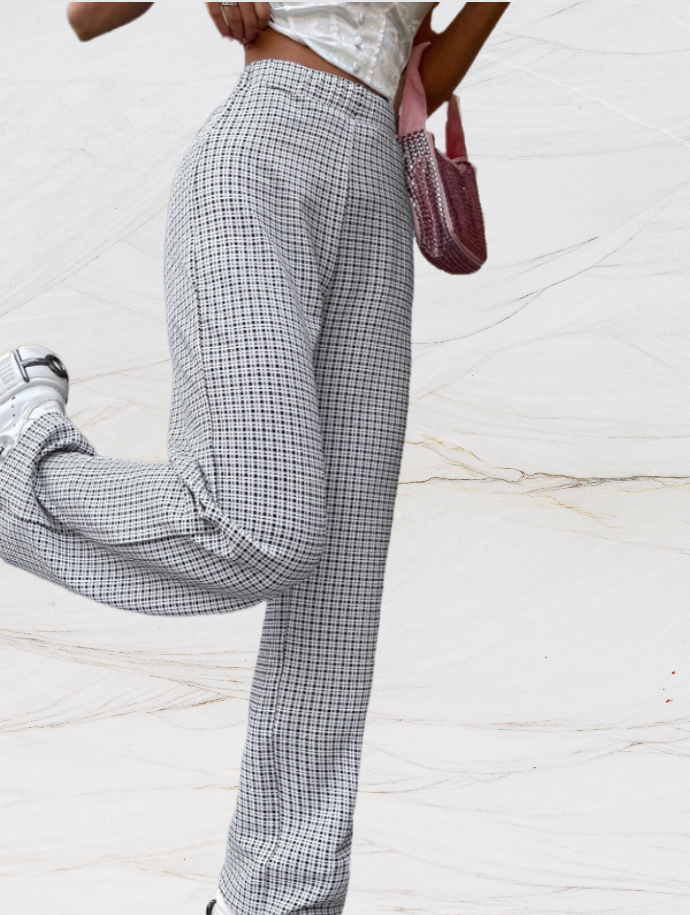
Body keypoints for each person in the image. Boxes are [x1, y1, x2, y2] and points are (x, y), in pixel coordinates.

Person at [0, 3, 509, 914]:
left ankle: (277, 899)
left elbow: (422, 77)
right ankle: (18, 456)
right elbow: (87, 14)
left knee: (339, 590)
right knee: (256, 523)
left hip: (379, 195)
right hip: (267, 151)